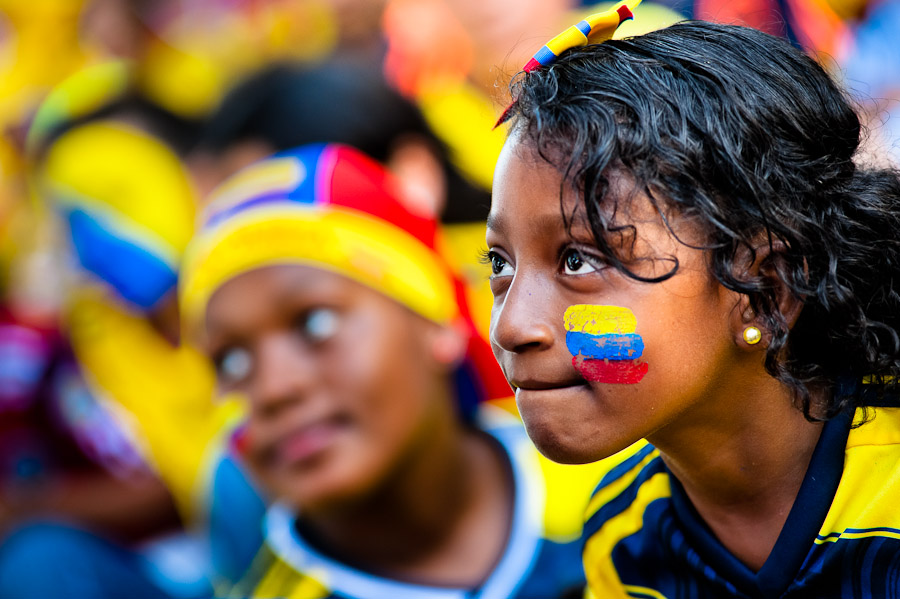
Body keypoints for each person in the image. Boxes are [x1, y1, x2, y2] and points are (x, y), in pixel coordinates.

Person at [486, 15, 900, 599]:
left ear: (767, 290)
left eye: (580, 259)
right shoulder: (623, 544)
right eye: (499, 264)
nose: (511, 326)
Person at [179, 142, 606, 598]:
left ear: (436, 323)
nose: (274, 388)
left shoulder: (627, 482)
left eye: (315, 323)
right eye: (231, 361)